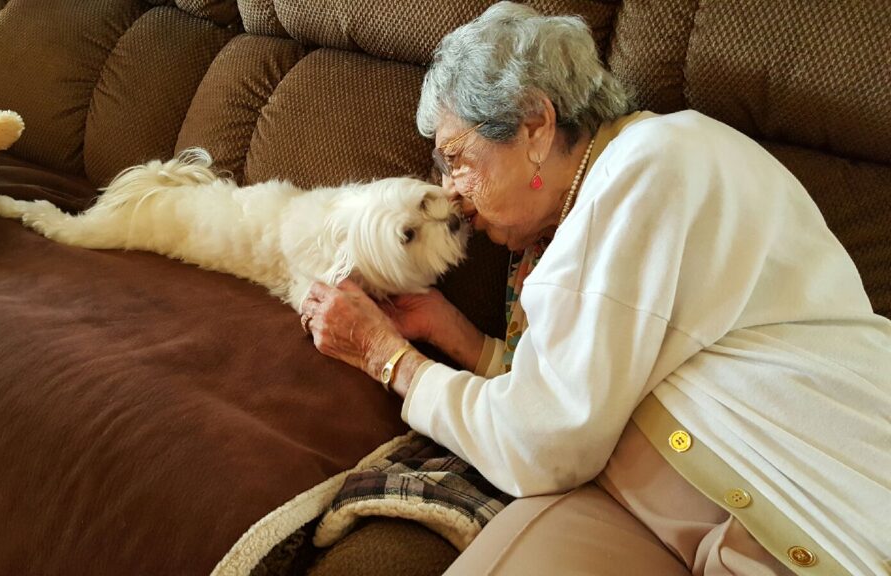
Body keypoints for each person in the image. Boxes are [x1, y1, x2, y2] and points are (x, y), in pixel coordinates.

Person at [299, 2, 891, 574]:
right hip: (651, 498)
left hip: (797, 505)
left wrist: (389, 359)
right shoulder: (583, 205)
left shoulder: (649, 165)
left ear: (535, 125)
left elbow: (545, 441)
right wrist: (450, 332)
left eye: (456, 158)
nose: (451, 191)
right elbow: (570, 386)